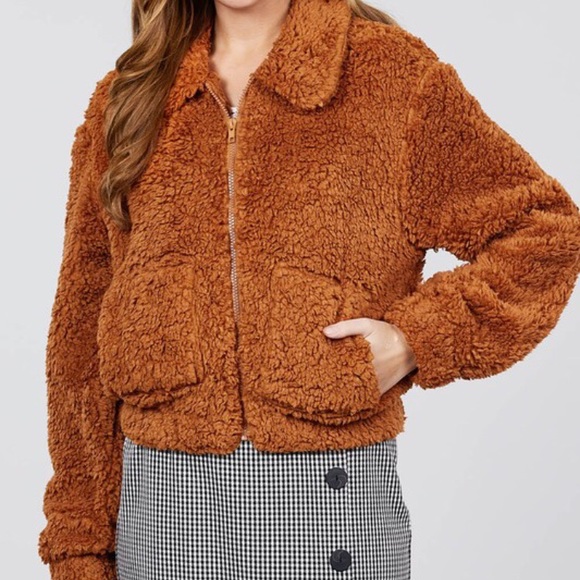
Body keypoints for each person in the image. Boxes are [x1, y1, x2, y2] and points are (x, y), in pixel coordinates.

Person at [37, 0, 580, 579]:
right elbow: (80, 338)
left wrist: (415, 340)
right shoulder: (130, 96)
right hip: (161, 525)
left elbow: (545, 230)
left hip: (328, 514)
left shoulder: (391, 76)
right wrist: (79, 545)